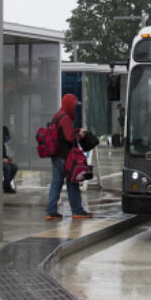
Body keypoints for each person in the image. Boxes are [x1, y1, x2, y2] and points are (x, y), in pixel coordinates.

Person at [45, 93, 91, 221]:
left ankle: (51, 211)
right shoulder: (65, 118)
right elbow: (69, 137)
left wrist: (74, 131)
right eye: (74, 105)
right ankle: (77, 210)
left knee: (56, 183)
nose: (74, 108)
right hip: (65, 156)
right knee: (73, 182)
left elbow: (62, 134)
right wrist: (79, 134)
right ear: (69, 104)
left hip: (56, 156)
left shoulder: (58, 115)